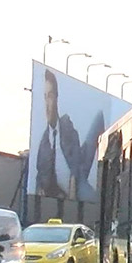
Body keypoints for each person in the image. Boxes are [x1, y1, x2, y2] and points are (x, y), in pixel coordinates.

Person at [35, 69, 101, 202]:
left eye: (50, 96)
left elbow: (75, 164)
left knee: (100, 117)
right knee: (91, 196)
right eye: (45, 96)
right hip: (66, 186)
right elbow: (41, 175)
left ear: (56, 97)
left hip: (77, 177)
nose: (47, 104)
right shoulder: (43, 143)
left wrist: (72, 194)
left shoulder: (66, 125)